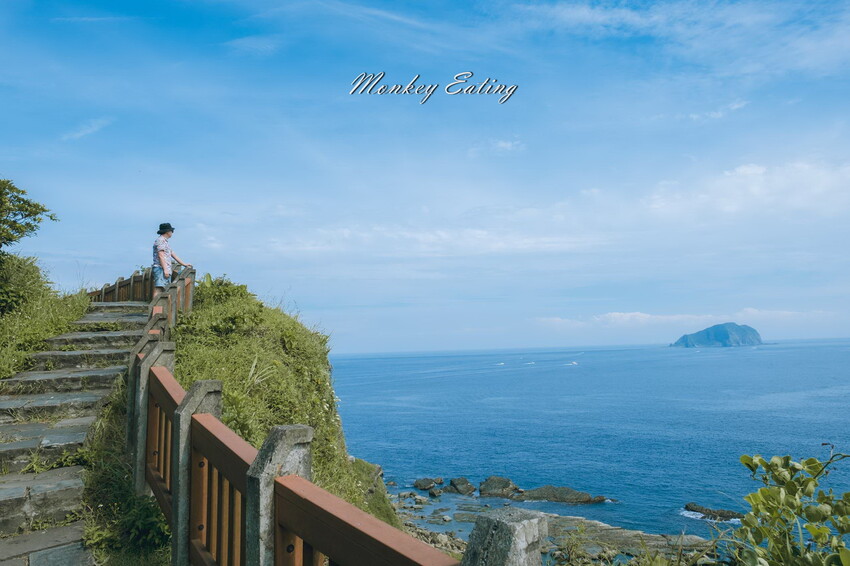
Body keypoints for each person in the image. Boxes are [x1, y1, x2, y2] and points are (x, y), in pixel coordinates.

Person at [152, 222, 192, 298]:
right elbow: (161, 255)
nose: (172, 233)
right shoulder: (160, 241)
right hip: (160, 268)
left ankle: (160, 308)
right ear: (167, 232)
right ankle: (154, 309)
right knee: (159, 289)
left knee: (163, 289)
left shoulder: (165, 241)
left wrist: (184, 264)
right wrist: (165, 269)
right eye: (171, 231)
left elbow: (173, 254)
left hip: (163, 268)